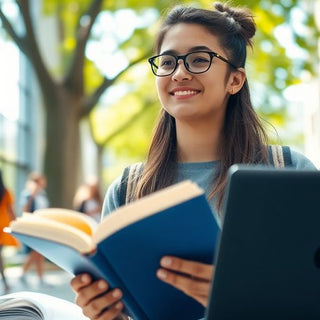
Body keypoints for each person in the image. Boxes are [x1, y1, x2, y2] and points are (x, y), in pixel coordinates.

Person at [70, 2, 317, 319]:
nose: (180, 73)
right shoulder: (127, 190)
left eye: (199, 60)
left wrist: (240, 296)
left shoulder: (292, 175)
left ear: (235, 80)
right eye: (168, 61)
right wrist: (106, 314)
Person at [19, 172, 49, 286]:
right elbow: (25, 210)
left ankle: (40, 278)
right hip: (32, 226)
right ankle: (22, 273)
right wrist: (32, 195)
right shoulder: (27, 194)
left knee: (39, 252)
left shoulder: (42, 194)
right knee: (35, 251)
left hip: (42, 225)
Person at [0, 169, 19, 292]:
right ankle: (5, 282)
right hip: (2, 227)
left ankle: (5, 282)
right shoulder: (6, 192)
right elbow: (11, 211)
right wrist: (17, 226)